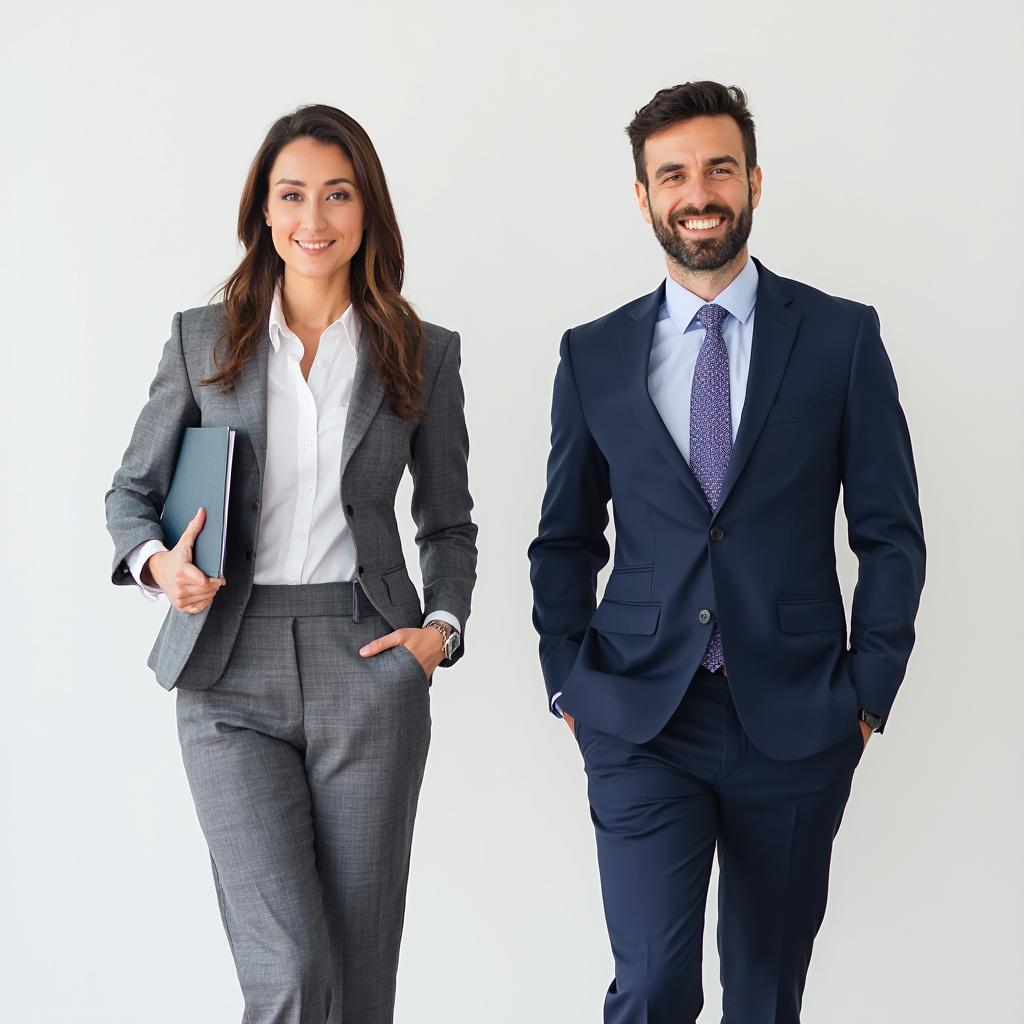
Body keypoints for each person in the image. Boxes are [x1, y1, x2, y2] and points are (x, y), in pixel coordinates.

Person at [528, 81, 925, 1023]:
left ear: (753, 180)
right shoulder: (593, 354)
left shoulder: (840, 337)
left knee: (763, 992)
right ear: (643, 195)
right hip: (637, 716)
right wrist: (567, 682)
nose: (697, 192)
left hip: (795, 717)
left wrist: (868, 692)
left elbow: (890, 531)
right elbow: (566, 536)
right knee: (655, 987)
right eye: (673, 174)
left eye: (716, 168)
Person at [105, 103, 477, 1024]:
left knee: (357, 975)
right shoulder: (204, 341)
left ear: (367, 212)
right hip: (227, 668)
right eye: (293, 195)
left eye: (338, 195)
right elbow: (129, 497)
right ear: (264, 214)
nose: (315, 219)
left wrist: (439, 632)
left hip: (368, 656)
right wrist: (160, 567)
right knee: (291, 968)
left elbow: (448, 522)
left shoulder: (420, 355)